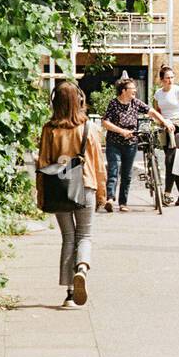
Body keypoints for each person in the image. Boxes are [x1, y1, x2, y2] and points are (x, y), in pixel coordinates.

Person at [37, 82, 106, 307]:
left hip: (59, 189)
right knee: (84, 236)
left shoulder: (49, 130)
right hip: (85, 186)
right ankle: (82, 270)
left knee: (68, 237)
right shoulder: (88, 128)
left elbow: (43, 163)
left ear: (54, 101)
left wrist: (41, 196)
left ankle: (69, 293)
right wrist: (102, 194)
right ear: (80, 100)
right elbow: (98, 166)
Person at [102, 77, 173, 212]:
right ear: (123, 91)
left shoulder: (135, 103)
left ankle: (123, 203)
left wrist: (164, 122)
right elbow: (105, 122)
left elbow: (151, 111)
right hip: (114, 143)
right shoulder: (113, 104)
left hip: (131, 143)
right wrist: (122, 131)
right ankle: (110, 199)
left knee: (127, 174)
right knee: (113, 170)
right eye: (132, 89)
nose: (135, 90)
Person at [152, 66, 179, 206]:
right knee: (174, 163)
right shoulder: (158, 94)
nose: (170, 80)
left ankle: (167, 193)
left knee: (169, 159)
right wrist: (159, 122)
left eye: (172, 77)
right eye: (167, 78)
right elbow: (156, 112)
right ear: (161, 80)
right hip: (165, 128)